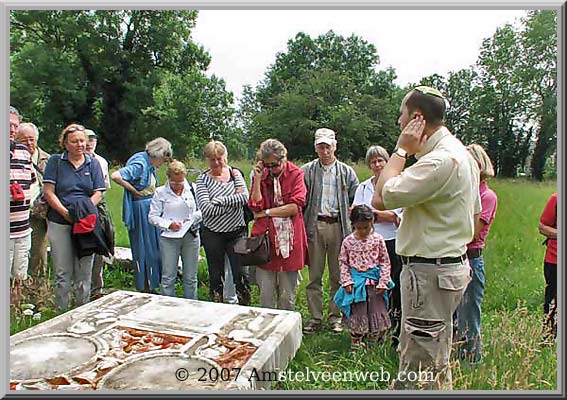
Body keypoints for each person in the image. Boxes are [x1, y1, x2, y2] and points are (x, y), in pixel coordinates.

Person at [372, 86, 480, 390]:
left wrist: (401, 150)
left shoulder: (440, 161)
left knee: (418, 368)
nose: (398, 120)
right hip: (445, 269)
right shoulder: (462, 154)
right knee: (435, 360)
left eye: (402, 114)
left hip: (430, 274)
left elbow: (380, 198)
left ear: (416, 118)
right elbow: (474, 215)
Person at [301, 128, 359, 334]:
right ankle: (315, 317)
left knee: (338, 275)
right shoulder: (306, 171)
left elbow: (355, 200)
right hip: (315, 226)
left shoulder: (346, 172)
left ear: (335, 146)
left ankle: (336, 317)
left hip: (339, 227)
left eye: (328, 146)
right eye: (320, 146)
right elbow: (301, 200)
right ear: (315, 147)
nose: (324, 150)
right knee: (314, 276)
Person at [43, 123, 106, 311]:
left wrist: (84, 211)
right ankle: (61, 312)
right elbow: (49, 191)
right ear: (65, 143)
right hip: (59, 221)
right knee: (63, 272)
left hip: (86, 223)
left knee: (84, 272)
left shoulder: (92, 163)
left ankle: (82, 311)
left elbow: (98, 192)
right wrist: (65, 213)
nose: (79, 145)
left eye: (82, 141)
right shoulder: (55, 162)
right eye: (74, 141)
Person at [352, 145, 403, 346]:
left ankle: (394, 326)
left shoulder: (397, 185)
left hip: (392, 241)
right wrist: (377, 217)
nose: (377, 164)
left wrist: (371, 215)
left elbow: (396, 217)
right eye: (373, 161)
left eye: (381, 160)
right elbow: (355, 214)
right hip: (367, 244)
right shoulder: (363, 187)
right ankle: (371, 327)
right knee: (370, 286)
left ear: (387, 161)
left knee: (393, 285)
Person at [248, 139, 308, 310]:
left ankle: (286, 333)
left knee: (286, 296)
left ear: (284, 159)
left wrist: (267, 212)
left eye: (275, 165)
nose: (272, 170)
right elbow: (255, 205)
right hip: (265, 244)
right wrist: (258, 179)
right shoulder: (262, 175)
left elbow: (295, 207)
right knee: (265, 295)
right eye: (267, 166)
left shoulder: (296, 174)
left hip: (289, 244)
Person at [454, 144, 498, 364]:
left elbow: (471, 234)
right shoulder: (462, 192)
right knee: (452, 314)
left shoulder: (486, 196)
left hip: (471, 258)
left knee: (469, 314)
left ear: (480, 165)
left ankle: (471, 360)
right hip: (454, 257)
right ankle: (453, 358)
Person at [111, 137, 172, 293]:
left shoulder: (148, 163)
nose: (162, 164)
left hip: (149, 206)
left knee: (153, 246)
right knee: (144, 247)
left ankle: (152, 283)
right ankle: (144, 285)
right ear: (159, 154)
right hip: (141, 208)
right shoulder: (141, 163)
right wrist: (133, 191)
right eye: (163, 160)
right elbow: (116, 176)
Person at [195, 140, 251, 305]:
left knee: (241, 274)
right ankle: (216, 306)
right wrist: (232, 205)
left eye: (220, 158)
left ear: (225, 156)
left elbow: (244, 198)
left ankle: (245, 307)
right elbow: (206, 209)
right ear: (207, 159)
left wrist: (219, 201)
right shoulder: (202, 179)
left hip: (237, 232)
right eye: (213, 159)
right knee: (215, 274)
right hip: (213, 234)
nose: (217, 162)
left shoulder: (235, 174)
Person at [334, 205, 392, 351]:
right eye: (360, 228)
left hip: (374, 283)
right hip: (357, 284)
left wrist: (383, 281)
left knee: (375, 311)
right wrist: (346, 281)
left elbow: (384, 261)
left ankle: (373, 344)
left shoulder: (378, 240)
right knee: (358, 312)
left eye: (367, 227)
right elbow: (343, 262)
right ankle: (356, 345)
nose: (364, 231)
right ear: (353, 225)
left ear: (372, 222)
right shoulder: (348, 242)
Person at [148, 160, 202, 299]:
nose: (178, 186)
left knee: (190, 277)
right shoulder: (160, 192)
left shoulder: (193, 189)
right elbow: (152, 217)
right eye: (174, 183)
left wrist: (192, 218)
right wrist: (168, 224)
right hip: (169, 238)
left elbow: (202, 210)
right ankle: (167, 304)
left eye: (180, 182)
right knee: (168, 276)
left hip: (190, 235)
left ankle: (192, 304)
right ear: (168, 178)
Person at [9, 106, 36, 305]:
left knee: (19, 275)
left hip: (23, 227)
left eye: (14, 126)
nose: (11, 129)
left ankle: (15, 314)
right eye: (7, 125)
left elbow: (33, 182)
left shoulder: (23, 152)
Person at [16, 122, 50, 280]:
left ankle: (38, 296)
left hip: (40, 217)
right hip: (16, 215)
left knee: (38, 255)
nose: (29, 144)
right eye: (24, 141)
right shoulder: (11, 159)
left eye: (32, 139)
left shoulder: (48, 160)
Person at [85, 129, 113, 300]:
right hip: (79, 207)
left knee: (99, 246)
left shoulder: (101, 161)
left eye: (92, 140)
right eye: (87, 140)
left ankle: (97, 288)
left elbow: (105, 188)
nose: (89, 143)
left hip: (98, 207)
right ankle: (81, 288)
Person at [539, 191, 557, 340]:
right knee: (553, 301)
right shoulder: (556, 199)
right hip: (555, 260)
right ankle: (549, 336)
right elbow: (543, 227)